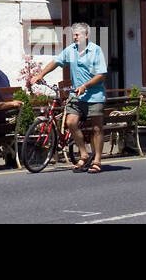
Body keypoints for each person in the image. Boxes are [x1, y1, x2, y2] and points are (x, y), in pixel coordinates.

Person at [30, 23, 107, 172]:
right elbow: (56, 62)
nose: (75, 37)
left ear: (86, 36)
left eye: (77, 35)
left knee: (97, 128)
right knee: (70, 122)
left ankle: (97, 160)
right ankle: (84, 154)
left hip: (94, 95)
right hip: (76, 95)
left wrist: (85, 86)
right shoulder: (70, 50)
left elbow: (101, 74)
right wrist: (41, 74)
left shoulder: (96, 51)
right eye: (74, 35)